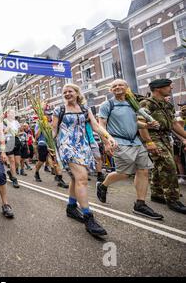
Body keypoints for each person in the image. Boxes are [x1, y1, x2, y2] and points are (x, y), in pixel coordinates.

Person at [52, 84, 116, 237]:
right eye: (64, 92)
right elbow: (54, 129)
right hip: (67, 146)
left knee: (76, 178)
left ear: (77, 93)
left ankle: (71, 207)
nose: (67, 93)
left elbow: (95, 126)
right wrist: (51, 145)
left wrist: (108, 137)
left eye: (70, 91)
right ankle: (89, 218)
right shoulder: (59, 110)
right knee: (82, 178)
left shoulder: (85, 109)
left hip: (83, 145)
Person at [96, 79, 163, 220]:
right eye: (114, 86)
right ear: (111, 90)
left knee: (143, 171)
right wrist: (107, 142)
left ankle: (140, 204)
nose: (117, 87)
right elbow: (101, 125)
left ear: (127, 88)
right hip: (119, 142)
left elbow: (134, 122)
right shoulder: (107, 104)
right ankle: (103, 185)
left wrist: (147, 125)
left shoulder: (133, 104)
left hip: (136, 141)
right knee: (125, 173)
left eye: (121, 85)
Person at [139, 79, 186, 214]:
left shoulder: (168, 105)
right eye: (168, 86)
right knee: (169, 166)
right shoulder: (146, 103)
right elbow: (140, 123)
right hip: (153, 137)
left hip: (165, 137)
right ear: (159, 88)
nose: (171, 88)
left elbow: (174, 125)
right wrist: (148, 142)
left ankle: (157, 193)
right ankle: (173, 199)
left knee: (159, 165)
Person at [33, 121, 69, 188]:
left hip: (52, 144)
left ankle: (59, 178)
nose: (49, 115)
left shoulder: (53, 121)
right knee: (41, 161)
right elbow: (37, 136)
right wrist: (42, 126)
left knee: (55, 161)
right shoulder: (39, 123)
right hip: (43, 144)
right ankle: (36, 173)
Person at [3, 109, 21, 188]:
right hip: (9, 140)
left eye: (13, 113)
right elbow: (3, 132)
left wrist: (19, 133)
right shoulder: (4, 122)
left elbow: (18, 132)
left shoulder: (16, 122)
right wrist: (8, 126)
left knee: (17, 162)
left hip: (16, 140)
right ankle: (14, 179)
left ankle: (11, 172)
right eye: (10, 113)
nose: (12, 114)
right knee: (12, 160)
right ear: (7, 114)